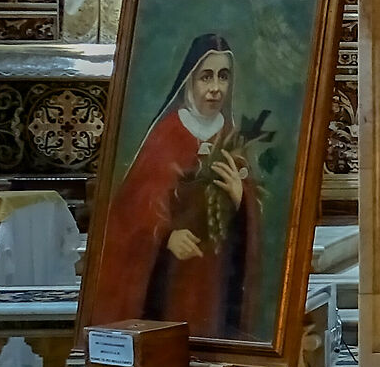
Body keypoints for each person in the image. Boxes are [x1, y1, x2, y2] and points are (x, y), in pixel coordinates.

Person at [87, 34, 262, 339]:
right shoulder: (167, 134)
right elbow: (132, 210)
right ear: (190, 80)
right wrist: (166, 236)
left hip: (217, 278)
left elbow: (250, 219)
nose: (215, 88)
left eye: (224, 77)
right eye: (206, 77)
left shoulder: (231, 138)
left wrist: (239, 200)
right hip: (170, 278)